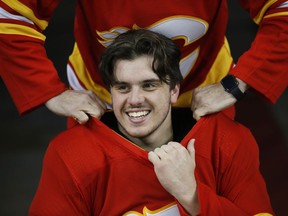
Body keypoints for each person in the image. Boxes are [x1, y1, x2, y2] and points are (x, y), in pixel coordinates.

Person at [29, 29, 273, 215]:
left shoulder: (226, 141)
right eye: (123, 87)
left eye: (149, 85)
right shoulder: (71, 154)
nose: (135, 100)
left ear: (174, 90)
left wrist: (192, 196)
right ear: (110, 94)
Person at [0, 1, 287, 123]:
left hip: (201, 96)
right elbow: (9, 14)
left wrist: (234, 86)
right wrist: (47, 91)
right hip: (103, 102)